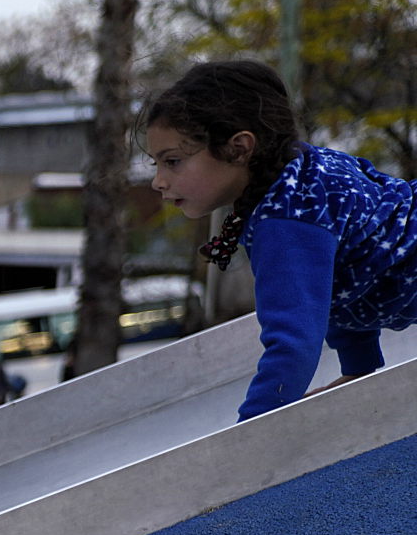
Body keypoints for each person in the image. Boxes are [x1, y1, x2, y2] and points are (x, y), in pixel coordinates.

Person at [144, 59, 417, 421]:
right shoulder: (308, 173)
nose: (158, 181)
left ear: (239, 148)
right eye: (156, 165)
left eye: (173, 161)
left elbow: (293, 346)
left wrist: (248, 437)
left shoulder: (285, 222)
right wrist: (359, 370)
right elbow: (344, 280)